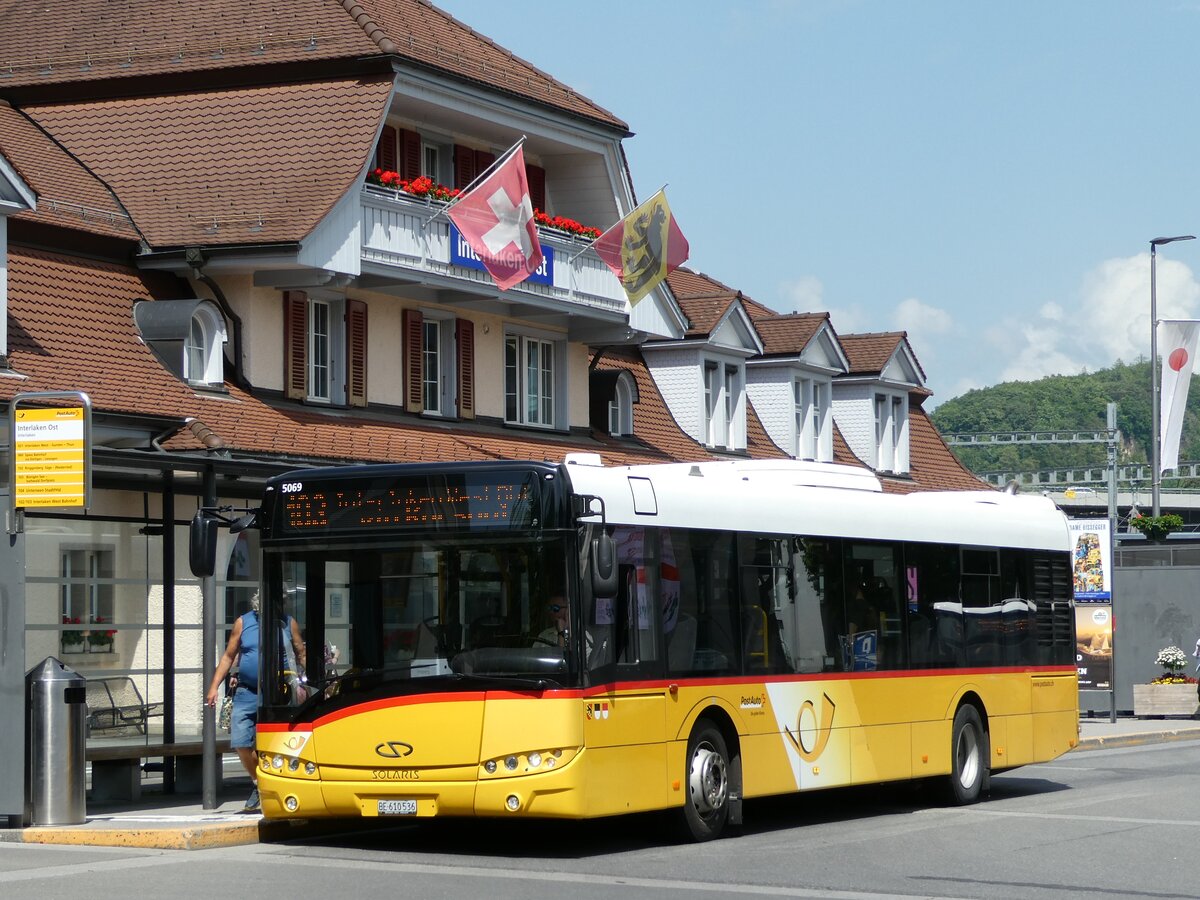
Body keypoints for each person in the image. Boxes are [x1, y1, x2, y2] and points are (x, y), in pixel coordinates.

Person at [205, 593, 306, 813]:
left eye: (281, 602)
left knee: (276, 744)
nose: (278, 605)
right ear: (258, 605)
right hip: (247, 691)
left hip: (279, 692)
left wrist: (309, 682)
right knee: (241, 742)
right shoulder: (243, 622)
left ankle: (267, 785)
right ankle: (259, 782)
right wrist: (214, 687)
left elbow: (301, 653)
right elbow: (228, 656)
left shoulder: (288, 623)